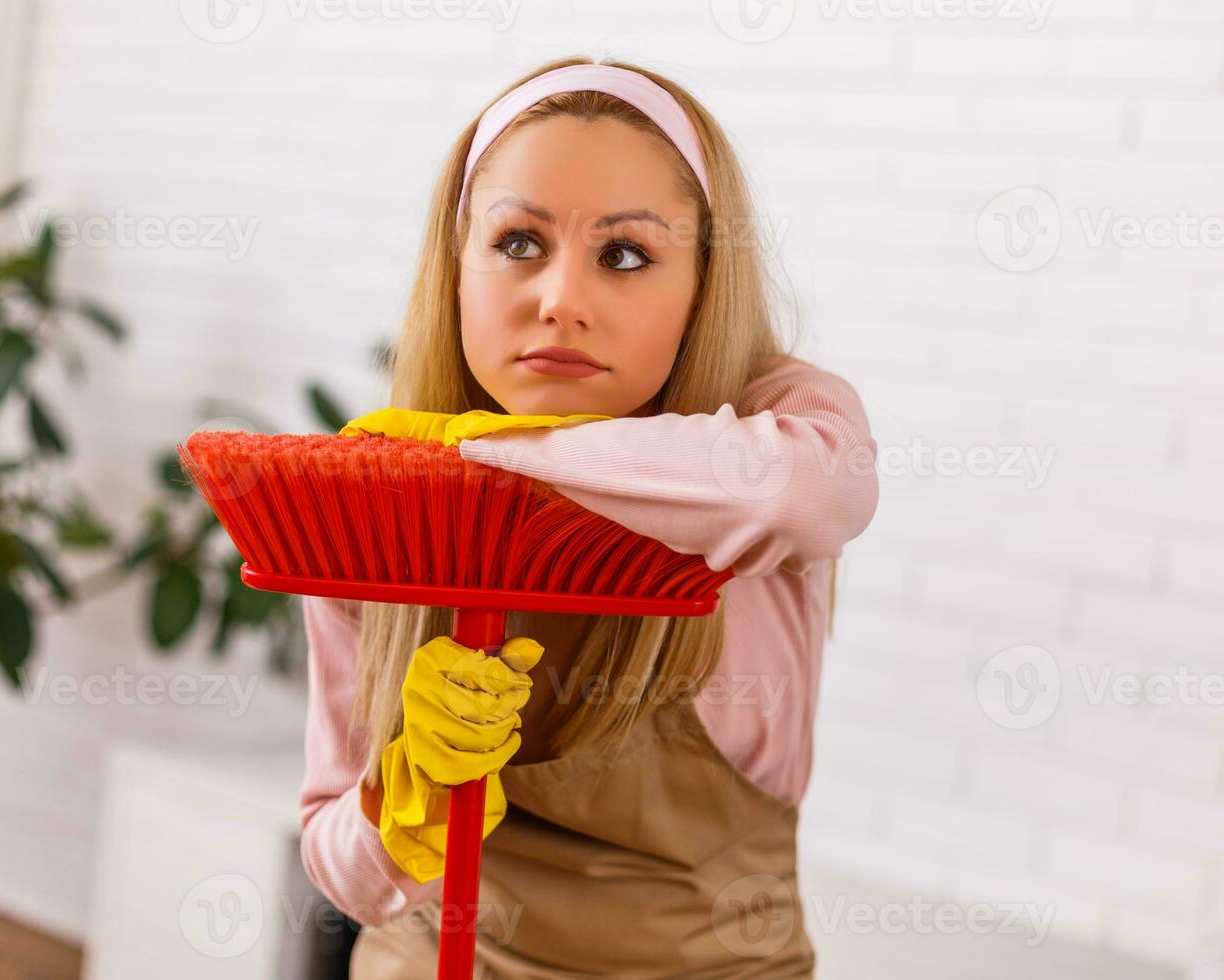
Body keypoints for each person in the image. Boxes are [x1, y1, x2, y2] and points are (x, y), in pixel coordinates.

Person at [298, 55, 880, 978]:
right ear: (457, 266)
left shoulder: (782, 426)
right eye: (519, 242)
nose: (562, 300)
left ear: (700, 287)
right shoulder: (384, 508)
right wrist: (394, 809)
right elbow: (346, 877)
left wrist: (480, 455)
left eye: (625, 255)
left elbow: (802, 495)